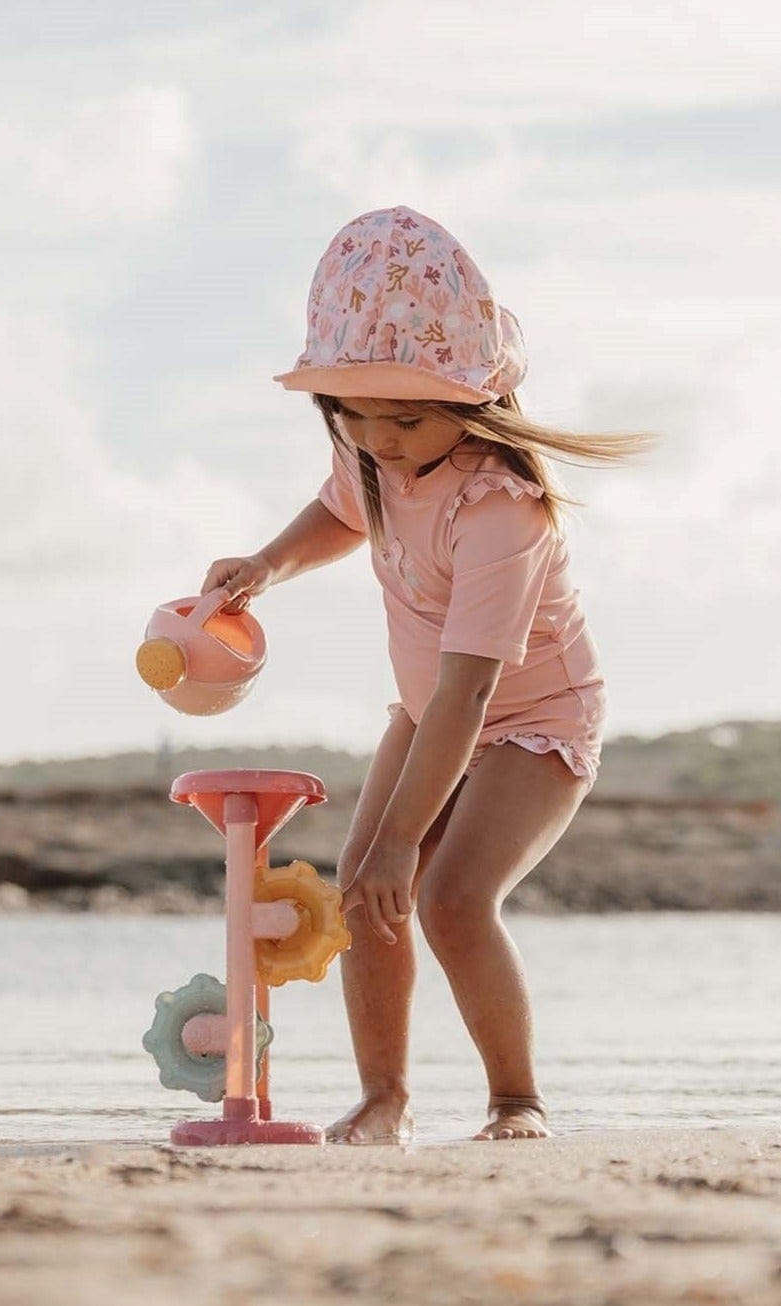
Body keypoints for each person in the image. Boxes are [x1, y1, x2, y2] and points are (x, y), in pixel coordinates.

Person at [200, 206, 651, 1143]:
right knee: (364, 893)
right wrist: (266, 566)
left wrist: (410, 837)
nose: (380, 440)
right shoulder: (371, 452)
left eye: (404, 418)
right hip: (426, 709)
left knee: (446, 897)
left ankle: (516, 1103)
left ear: (469, 400)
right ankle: (384, 1098)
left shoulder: (502, 509)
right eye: (355, 418)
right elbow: (339, 509)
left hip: (531, 719)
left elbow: (471, 692)